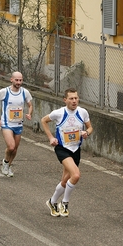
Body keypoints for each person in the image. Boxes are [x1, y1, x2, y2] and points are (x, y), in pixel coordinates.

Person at [41, 88, 93, 217]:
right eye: (71, 98)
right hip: (62, 148)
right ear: (65, 100)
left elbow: (90, 127)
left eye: (76, 98)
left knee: (65, 180)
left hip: (76, 149)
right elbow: (43, 120)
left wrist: (86, 133)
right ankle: (65, 203)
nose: (74, 101)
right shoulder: (58, 113)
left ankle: (52, 202)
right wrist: (51, 138)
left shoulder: (83, 112)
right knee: (75, 175)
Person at [0, 71, 33, 177]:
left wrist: (29, 113)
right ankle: (5, 162)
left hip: (18, 124)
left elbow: (30, 105)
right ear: (11, 80)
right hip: (6, 124)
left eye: (21, 80)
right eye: (17, 80)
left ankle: (8, 165)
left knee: (15, 150)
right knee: (11, 146)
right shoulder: (4, 92)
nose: (19, 82)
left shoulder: (25, 92)